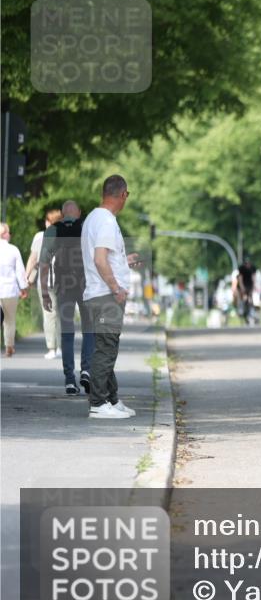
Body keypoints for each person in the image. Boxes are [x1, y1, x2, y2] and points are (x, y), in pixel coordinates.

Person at [82, 175, 141, 420]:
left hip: (97, 293)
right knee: (105, 350)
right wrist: (116, 288)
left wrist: (123, 263)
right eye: (127, 195)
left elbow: (104, 257)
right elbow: (99, 259)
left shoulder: (93, 218)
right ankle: (98, 403)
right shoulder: (106, 221)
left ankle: (111, 399)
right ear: (122, 194)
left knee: (108, 348)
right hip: (105, 295)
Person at [39, 201, 96, 395]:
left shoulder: (53, 230)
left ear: (62, 215)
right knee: (89, 328)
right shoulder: (87, 227)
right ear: (79, 213)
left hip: (63, 286)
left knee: (67, 331)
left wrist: (45, 292)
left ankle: (70, 380)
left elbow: (44, 264)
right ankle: (87, 370)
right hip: (86, 285)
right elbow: (99, 257)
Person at [25, 204, 63, 359]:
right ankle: (60, 347)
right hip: (64, 281)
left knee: (49, 313)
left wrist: (26, 278)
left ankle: (51, 348)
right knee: (60, 314)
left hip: (46, 280)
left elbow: (33, 259)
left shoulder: (40, 236)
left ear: (49, 221)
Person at [0, 223, 29, 357]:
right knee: (9, 320)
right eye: (9, 232)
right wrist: (23, 288)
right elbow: (20, 271)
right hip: (10, 290)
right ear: (4, 234)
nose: (10, 235)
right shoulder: (13, 249)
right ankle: (9, 347)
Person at [233, 257, 257, 324]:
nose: (248, 265)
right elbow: (240, 279)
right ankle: (240, 308)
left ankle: (252, 311)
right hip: (242, 284)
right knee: (241, 296)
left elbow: (254, 277)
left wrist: (254, 286)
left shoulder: (253, 268)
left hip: (249, 284)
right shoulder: (242, 268)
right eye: (246, 264)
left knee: (250, 297)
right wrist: (242, 287)